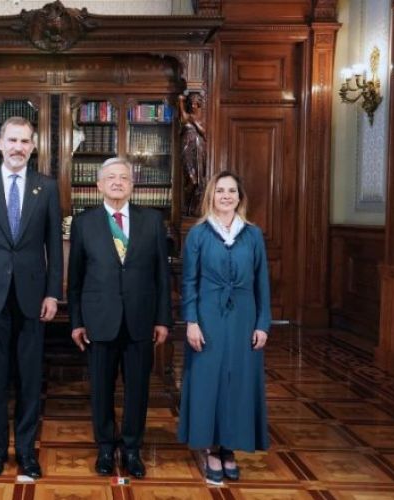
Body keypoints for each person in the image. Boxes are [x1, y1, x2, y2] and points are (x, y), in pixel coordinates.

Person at [0, 116, 63, 479]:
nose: (19, 147)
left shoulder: (46, 187)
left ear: (33, 147)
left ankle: (27, 453)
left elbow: (55, 246)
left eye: (25, 141)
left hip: (34, 300)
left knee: (31, 381)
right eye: (13, 140)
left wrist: (53, 293)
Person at [68, 157, 172, 479]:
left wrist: (163, 319)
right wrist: (76, 321)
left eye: (123, 178)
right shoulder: (84, 223)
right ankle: (104, 447)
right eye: (110, 177)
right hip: (99, 320)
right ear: (98, 184)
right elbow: (75, 279)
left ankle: (131, 449)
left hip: (141, 320)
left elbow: (162, 276)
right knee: (100, 389)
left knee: (138, 389)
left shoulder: (152, 221)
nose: (117, 182)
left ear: (132, 184)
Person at [177, 170, 271, 485]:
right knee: (208, 381)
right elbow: (188, 281)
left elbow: (262, 283)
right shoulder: (199, 234)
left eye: (232, 191)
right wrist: (191, 320)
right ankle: (210, 447)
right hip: (208, 315)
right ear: (211, 196)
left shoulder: (253, 234)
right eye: (220, 191)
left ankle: (229, 446)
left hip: (244, 315)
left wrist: (263, 323)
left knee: (239, 382)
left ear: (240, 197)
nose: (226, 196)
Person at [177, 93, 207, 216]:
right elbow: (183, 119)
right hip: (186, 148)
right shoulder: (186, 116)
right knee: (191, 179)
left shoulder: (203, 117)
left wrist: (194, 121)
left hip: (198, 149)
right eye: (192, 103)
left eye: (196, 103)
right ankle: (185, 207)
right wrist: (181, 103)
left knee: (199, 181)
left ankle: (192, 209)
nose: (194, 105)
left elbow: (204, 133)